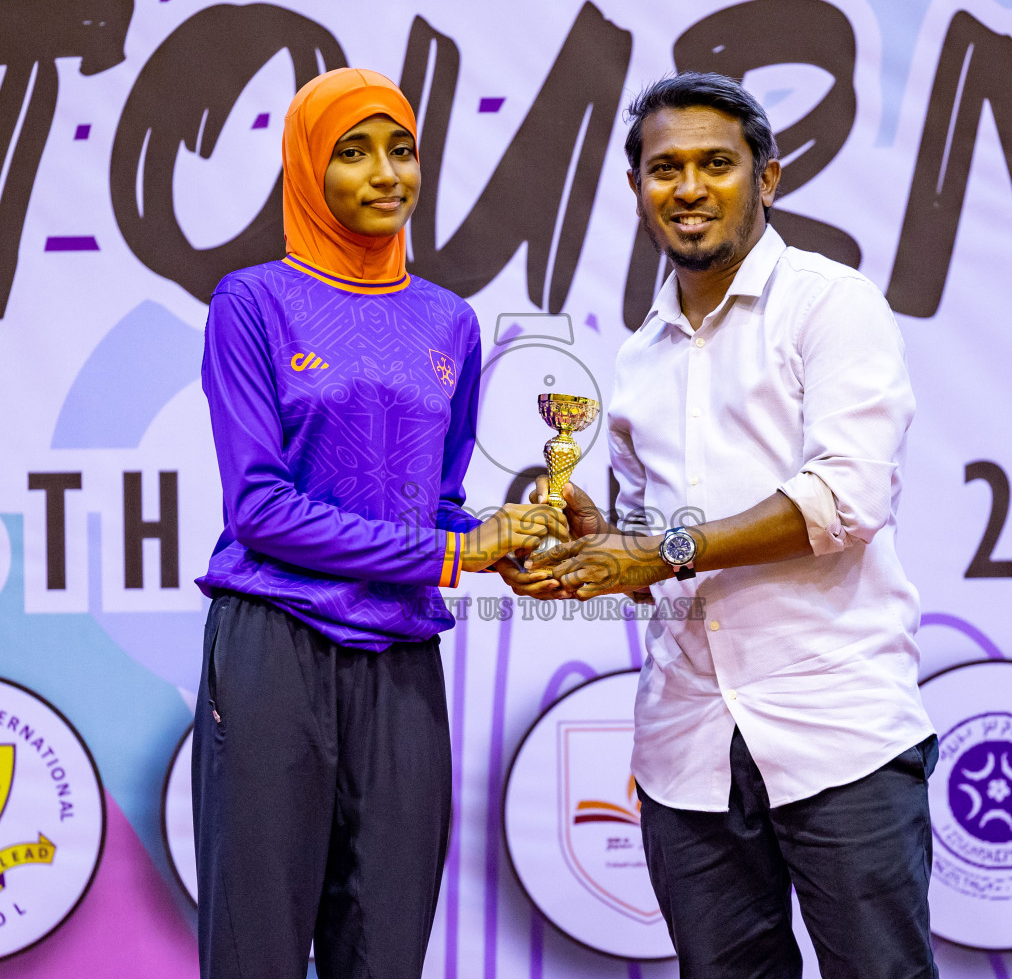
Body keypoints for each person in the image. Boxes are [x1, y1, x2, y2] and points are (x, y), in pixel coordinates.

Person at [502, 72, 938, 979]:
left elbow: (845, 498)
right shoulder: (636, 357)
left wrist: (658, 547)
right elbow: (652, 536)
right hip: (686, 744)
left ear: (767, 179)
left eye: (717, 164)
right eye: (666, 168)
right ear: (636, 191)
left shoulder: (832, 304)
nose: (690, 188)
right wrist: (595, 542)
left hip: (837, 731)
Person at [192, 67, 564, 979]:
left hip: (400, 660)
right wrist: (448, 551)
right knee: (257, 950)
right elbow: (262, 510)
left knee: (388, 948)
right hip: (275, 645)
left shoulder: (449, 322)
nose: (385, 173)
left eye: (401, 149)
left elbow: (435, 501)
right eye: (353, 152)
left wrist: (506, 541)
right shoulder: (253, 302)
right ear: (308, 166)